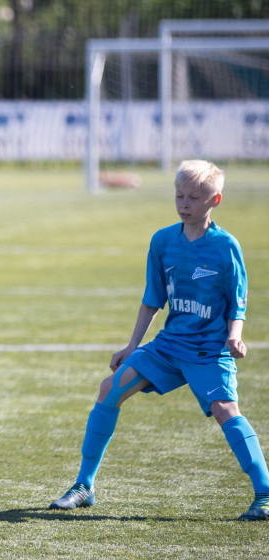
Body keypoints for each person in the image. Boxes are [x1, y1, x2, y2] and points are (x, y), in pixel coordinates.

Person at [48, 160, 268, 521]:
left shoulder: (226, 247)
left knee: (225, 410)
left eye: (194, 198)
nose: (184, 203)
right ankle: (84, 485)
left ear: (215, 200)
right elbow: (153, 299)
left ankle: (264, 493)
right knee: (110, 389)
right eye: (179, 195)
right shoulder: (163, 241)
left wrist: (234, 336)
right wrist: (131, 346)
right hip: (169, 346)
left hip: (208, 349)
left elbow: (238, 300)